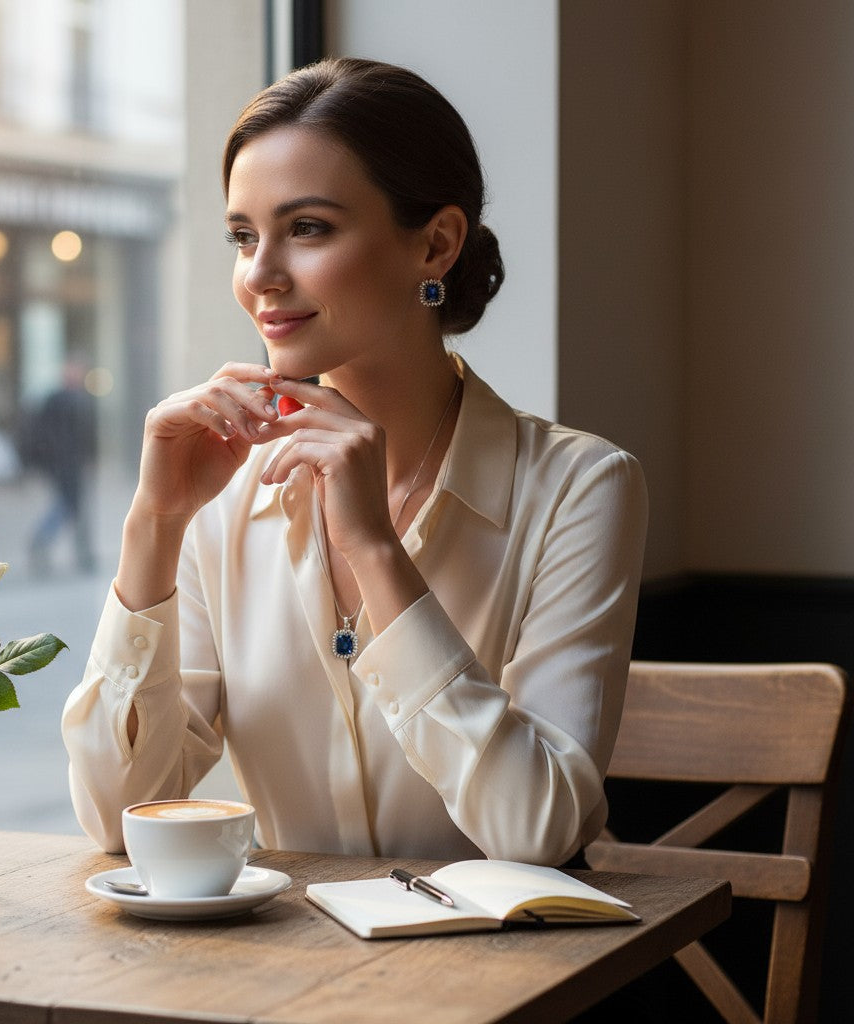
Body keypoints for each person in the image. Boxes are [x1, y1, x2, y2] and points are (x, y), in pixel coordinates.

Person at [61, 57, 648, 866]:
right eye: (243, 236)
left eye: (307, 228)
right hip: (287, 952)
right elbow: (116, 817)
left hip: (491, 950)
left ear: (436, 245)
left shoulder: (580, 489)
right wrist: (155, 524)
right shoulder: (222, 497)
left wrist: (375, 549)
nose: (259, 276)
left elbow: (538, 833)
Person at [26, 357, 98, 572]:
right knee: (67, 506)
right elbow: (45, 435)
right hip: (62, 465)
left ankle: (82, 553)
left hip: (75, 464)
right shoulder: (56, 400)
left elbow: (88, 435)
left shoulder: (82, 399)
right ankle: (43, 542)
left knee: (73, 507)